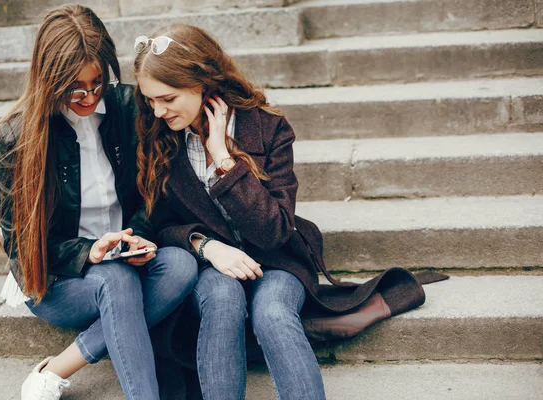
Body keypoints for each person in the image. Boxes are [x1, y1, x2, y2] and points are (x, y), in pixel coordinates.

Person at [132, 24, 449, 400]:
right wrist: (204, 245)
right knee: (222, 301)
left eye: (166, 98)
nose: (157, 110)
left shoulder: (268, 127)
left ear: (201, 81)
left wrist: (223, 161)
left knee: (273, 314)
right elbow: (159, 224)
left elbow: (274, 230)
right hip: (209, 265)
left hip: (277, 259)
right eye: (150, 100)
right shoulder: (158, 138)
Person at [0, 6, 197, 400]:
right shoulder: (16, 136)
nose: (88, 96)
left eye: (97, 82)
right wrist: (90, 252)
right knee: (114, 280)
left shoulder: (127, 107)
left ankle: (60, 365)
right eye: (74, 87)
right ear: (48, 80)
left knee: (181, 266)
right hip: (56, 278)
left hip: (125, 258)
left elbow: (152, 193)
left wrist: (136, 238)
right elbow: (23, 249)